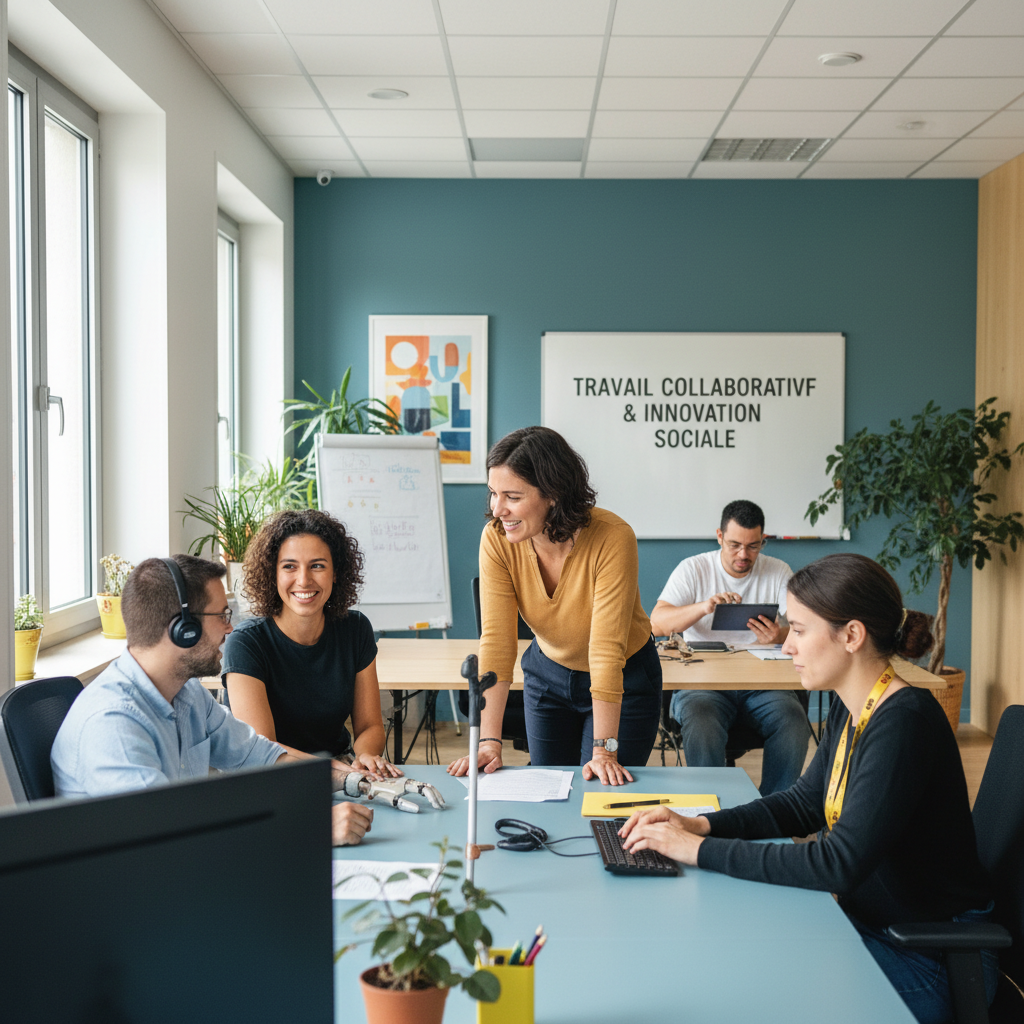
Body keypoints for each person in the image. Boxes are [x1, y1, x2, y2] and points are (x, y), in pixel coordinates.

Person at [623, 553, 997, 1024]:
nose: (786, 647)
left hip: (930, 954)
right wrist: (699, 824)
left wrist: (696, 849)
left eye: (798, 630)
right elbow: (803, 804)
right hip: (875, 927)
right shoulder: (853, 703)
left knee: (745, 989)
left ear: (852, 636)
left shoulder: (905, 722)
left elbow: (836, 863)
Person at [51, 554, 375, 846]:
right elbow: (166, 838)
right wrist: (310, 826)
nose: (230, 626)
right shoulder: (113, 726)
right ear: (183, 629)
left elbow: (258, 755)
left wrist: (355, 780)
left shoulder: (186, 692)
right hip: (135, 894)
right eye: (222, 614)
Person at [447, 426, 662, 786]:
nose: (497, 510)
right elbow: (497, 642)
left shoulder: (612, 537)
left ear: (553, 494)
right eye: (493, 494)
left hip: (622, 676)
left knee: (599, 792)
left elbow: (607, 650)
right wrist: (488, 742)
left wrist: (604, 750)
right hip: (548, 675)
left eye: (512, 496)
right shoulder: (498, 540)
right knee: (548, 785)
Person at [222, 508, 402, 781]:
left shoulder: (355, 629)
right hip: (271, 776)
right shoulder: (246, 643)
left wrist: (364, 756)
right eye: (289, 566)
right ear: (273, 574)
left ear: (336, 573)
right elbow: (263, 749)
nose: (304, 580)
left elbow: (370, 725)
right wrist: (342, 774)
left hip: (342, 770)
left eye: (317, 565)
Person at [650, 499, 808, 795]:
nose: (743, 555)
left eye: (753, 546)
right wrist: (703, 607)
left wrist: (780, 634)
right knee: (701, 720)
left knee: (793, 721)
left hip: (763, 682)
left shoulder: (777, 570)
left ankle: (774, 811)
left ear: (763, 540)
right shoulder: (694, 568)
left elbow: (808, 628)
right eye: (734, 545)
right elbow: (656, 623)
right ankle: (710, 810)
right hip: (702, 681)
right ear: (719, 536)